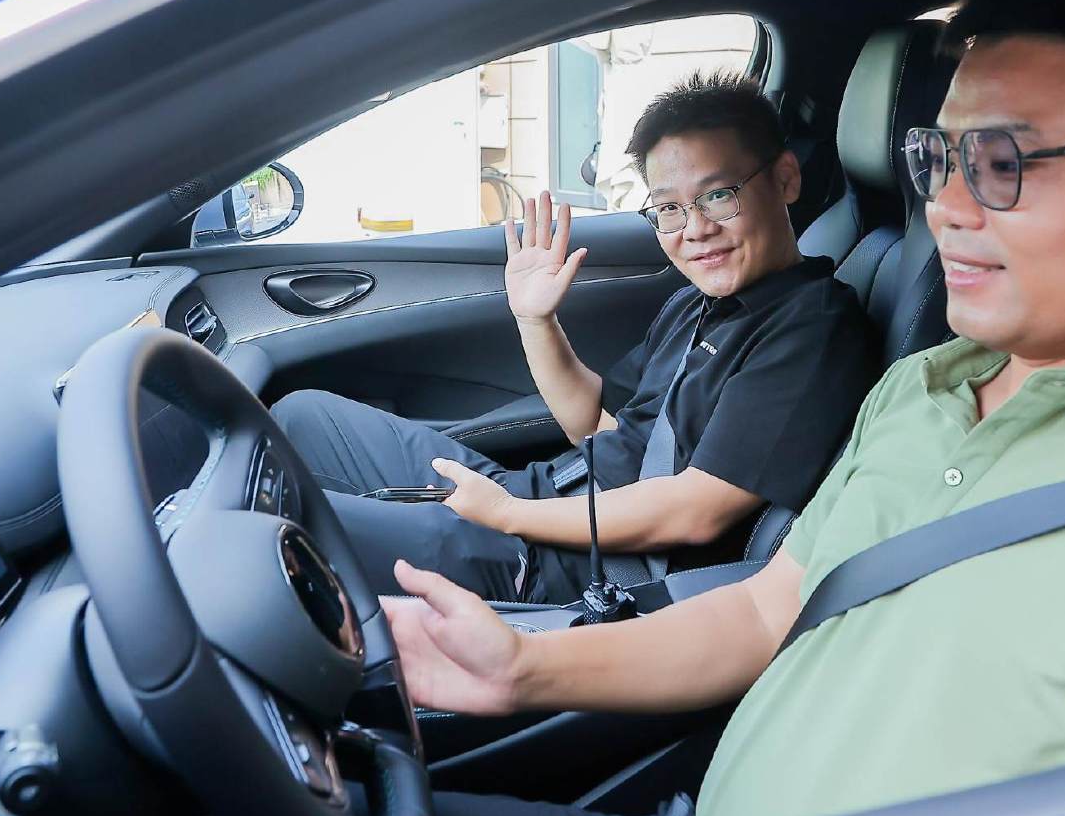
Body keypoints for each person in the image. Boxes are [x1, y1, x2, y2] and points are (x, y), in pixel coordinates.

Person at [379, 0, 1065, 816]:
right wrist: (519, 667)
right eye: (939, 159)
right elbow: (766, 609)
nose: (945, 206)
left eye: (1005, 162)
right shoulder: (921, 387)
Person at [271, 72, 876, 604]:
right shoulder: (694, 306)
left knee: (274, 527)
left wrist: (508, 516)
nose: (694, 228)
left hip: (564, 567)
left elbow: (696, 511)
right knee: (301, 417)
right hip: (545, 500)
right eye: (669, 208)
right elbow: (595, 425)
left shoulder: (812, 328)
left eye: (718, 195)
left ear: (785, 179)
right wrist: (536, 320)